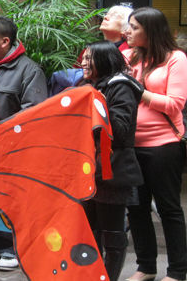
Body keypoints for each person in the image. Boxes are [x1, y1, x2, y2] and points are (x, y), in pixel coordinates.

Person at [0, 16, 48, 271]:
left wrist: (1, 132)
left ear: (5, 42)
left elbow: (34, 112)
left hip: (9, 148)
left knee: (7, 197)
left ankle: (10, 248)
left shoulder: (29, 70)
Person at [123, 7, 187, 281]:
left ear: (151, 30)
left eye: (135, 27)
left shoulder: (176, 59)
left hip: (164, 145)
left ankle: (177, 271)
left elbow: (175, 104)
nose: (130, 31)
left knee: (168, 208)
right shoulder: (129, 56)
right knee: (137, 209)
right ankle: (146, 267)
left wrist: (141, 92)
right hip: (130, 144)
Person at [80, 40, 143, 281]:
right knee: (89, 231)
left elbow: (120, 129)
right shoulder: (90, 86)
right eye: (84, 58)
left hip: (112, 171)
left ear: (105, 61)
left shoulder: (120, 87)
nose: (83, 63)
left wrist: (94, 108)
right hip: (90, 171)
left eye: (89, 58)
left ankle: (109, 277)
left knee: (112, 234)